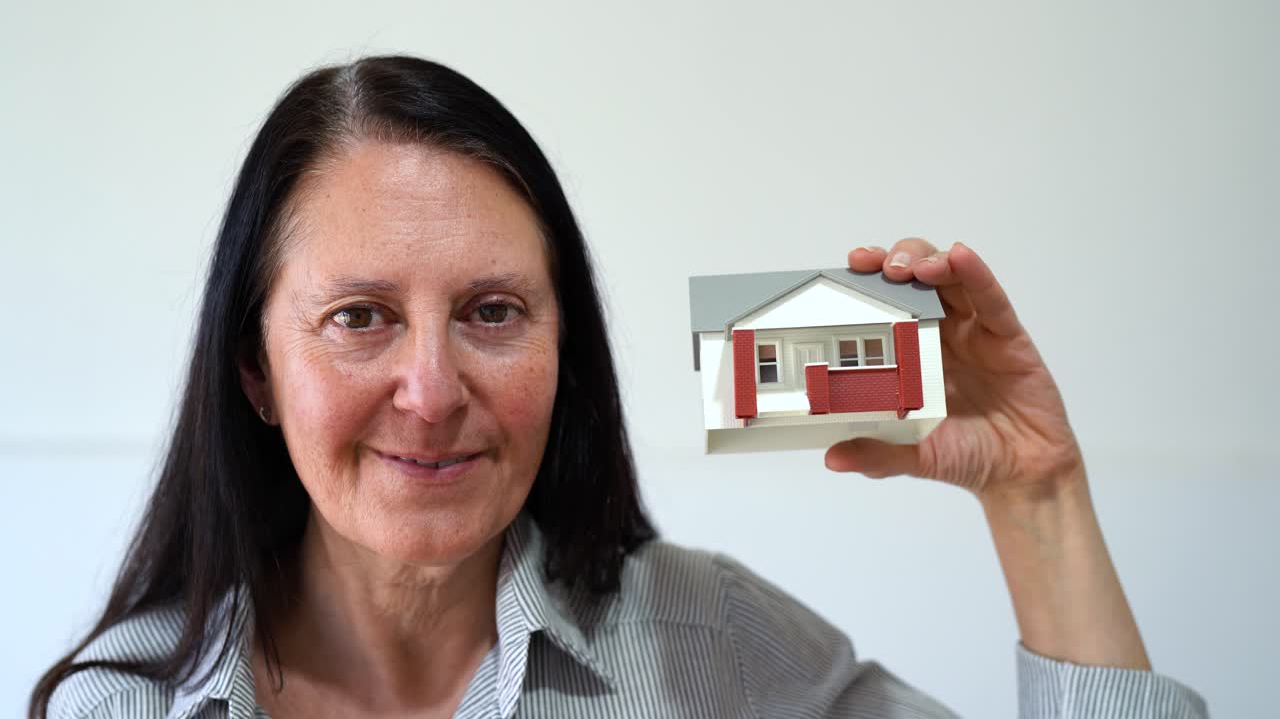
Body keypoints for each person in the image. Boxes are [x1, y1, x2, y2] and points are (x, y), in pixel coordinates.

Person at [30, 55, 1208, 719]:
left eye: (493, 313)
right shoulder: (121, 707)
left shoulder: (706, 641)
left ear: (564, 345)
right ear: (256, 369)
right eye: (358, 319)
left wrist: (1037, 498)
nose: (431, 390)